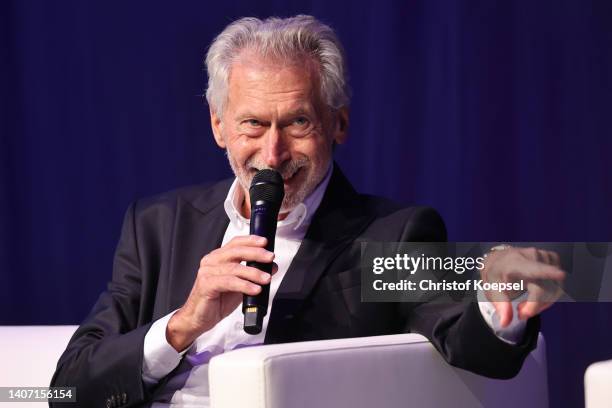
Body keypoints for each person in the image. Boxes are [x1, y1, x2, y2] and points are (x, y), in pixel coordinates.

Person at [50, 15, 565, 408]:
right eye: (252, 124)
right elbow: (67, 389)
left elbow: (468, 342)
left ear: (337, 124)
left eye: (297, 122)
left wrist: (499, 306)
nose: (273, 155)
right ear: (218, 127)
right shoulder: (158, 225)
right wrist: (183, 325)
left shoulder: (388, 237)